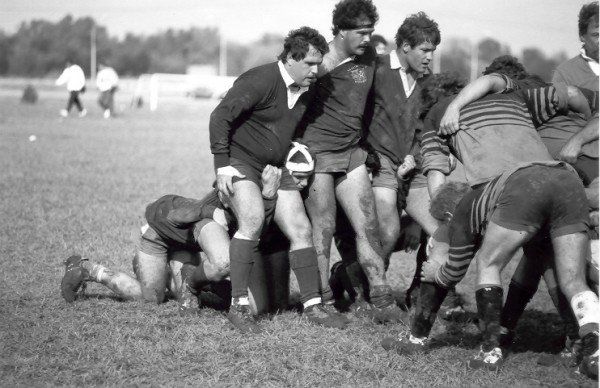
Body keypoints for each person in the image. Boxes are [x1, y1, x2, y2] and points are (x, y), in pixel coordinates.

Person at [209, 27, 344, 333]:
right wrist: (222, 166)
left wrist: (296, 156)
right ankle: (239, 308)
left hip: (276, 166)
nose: (315, 70)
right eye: (309, 63)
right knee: (253, 220)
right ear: (291, 58)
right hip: (241, 162)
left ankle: (314, 307)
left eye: (318, 63)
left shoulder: (307, 91)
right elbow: (220, 117)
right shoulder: (260, 79)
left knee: (300, 227)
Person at [414, 165, 598, 379]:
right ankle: (589, 351)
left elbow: (455, 271)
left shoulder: (464, 208)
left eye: (446, 223)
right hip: (569, 183)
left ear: (448, 215)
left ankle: (490, 352)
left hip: (527, 185)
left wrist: (435, 272)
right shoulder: (487, 193)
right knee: (571, 280)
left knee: (487, 262)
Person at [298, 0, 403, 323]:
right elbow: (293, 110)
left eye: (370, 32)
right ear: (341, 32)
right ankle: (323, 300)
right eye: (361, 32)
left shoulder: (369, 56)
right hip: (317, 156)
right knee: (325, 227)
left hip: (352, 153)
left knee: (368, 224)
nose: (367, 38)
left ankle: (382, 297)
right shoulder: (321, 64)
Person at [59, 164, 282, 312]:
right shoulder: (206, 210)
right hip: (157, 236)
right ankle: (88, 270)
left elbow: (258, 231)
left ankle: (172, 273)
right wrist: (207, 212)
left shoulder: (245, 211)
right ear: (221, 193)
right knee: (151, 298)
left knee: (180, 292)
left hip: (182, 246)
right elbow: (165, 208)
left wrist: (269, 196)